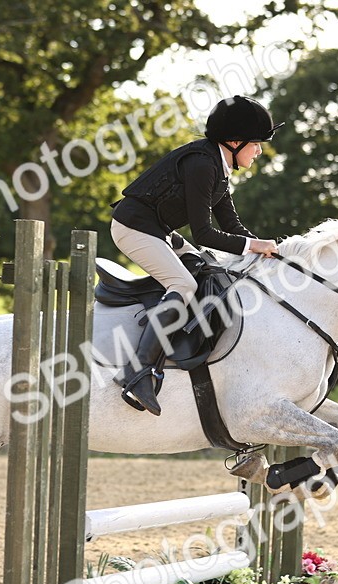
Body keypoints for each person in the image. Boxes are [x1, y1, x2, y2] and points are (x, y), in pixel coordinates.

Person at [110, 95, 282, 415]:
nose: (259, 151)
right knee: (184, 284)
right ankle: (138, 372)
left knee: (206, 268)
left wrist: (265, 251)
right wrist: (253, 246)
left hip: (158, 230)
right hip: (132, 227)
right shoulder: (202, 165)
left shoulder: (218, 166)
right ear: (234, 142)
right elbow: (203, 234)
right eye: (256, 144)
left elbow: (231, 225)